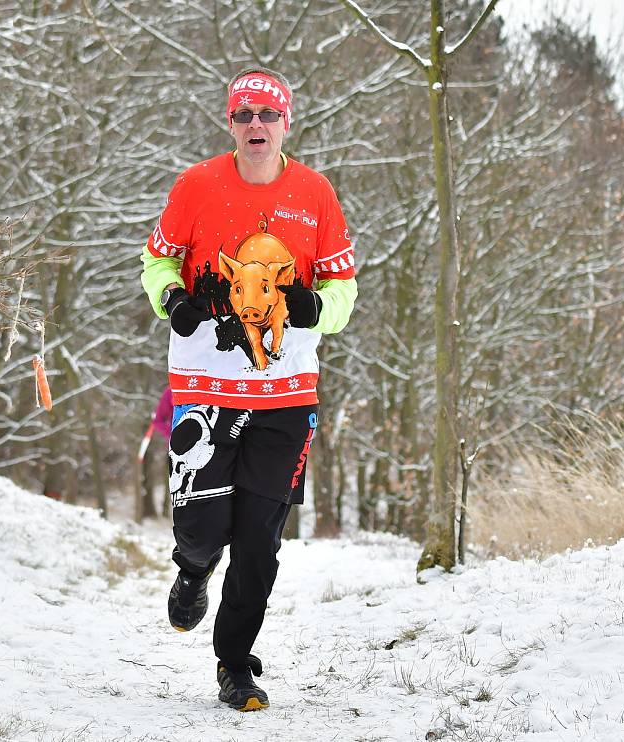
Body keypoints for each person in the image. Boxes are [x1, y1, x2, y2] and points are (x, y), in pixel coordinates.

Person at [140, 66, 357, 711]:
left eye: (267, 115)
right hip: (204, 387)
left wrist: (321, 309)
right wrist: (172, 298)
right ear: (230, 124)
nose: (256, 125)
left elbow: (343, 285)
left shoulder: (315, 193)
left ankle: (234, 663)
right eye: (244, 115)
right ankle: (193, 567)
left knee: (261, 541)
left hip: (286, 395)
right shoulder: (196, 185)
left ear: (286, 123)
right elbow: (157, 262)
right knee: (204, 526)